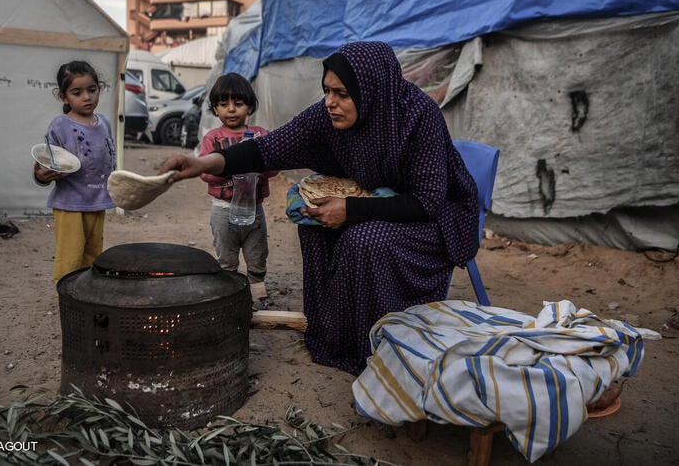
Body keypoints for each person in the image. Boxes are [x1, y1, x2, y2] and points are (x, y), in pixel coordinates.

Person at [160, 41, 480, 375]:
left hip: (433, 219)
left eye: (342, 93)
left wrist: (351, 210)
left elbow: (428, 200)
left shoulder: (417, 116)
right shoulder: (325, 118)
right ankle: (334, 336)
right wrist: (202, 163)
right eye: (326, 91)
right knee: (314, 224)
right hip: (376, 204)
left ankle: (377, 347)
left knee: (363, 239)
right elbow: (268, 148)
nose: (330, 103)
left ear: (370, 89)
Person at [199, 73, 277, 308]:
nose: (231, 110)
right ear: (215, 109)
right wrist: (231, 168)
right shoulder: (212, 139)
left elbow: (275, 165)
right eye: (224, 104)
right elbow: (204, 173)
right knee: (227, 260)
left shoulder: (261, 136)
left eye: (238, 104)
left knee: (257, 258)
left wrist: (257, 169)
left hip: (254, 210)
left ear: (250, 107)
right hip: (223, 211)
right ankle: (230, 300)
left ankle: (257, 298)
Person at [33, 60, 116, 283]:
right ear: (64, 97)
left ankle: (86, 293)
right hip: (70, 203)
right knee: (70, 255)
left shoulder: (104, 123)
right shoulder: (59, 126)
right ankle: (67, 295)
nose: (87, 97)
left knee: (93, 253)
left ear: (100, 88)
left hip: (98, 200)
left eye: (92, 90)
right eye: (77, 92)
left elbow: (109, 158)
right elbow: (45, 162)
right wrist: (41, 175)